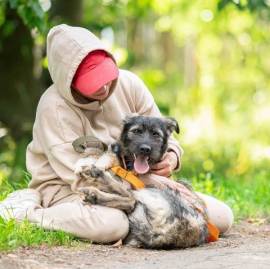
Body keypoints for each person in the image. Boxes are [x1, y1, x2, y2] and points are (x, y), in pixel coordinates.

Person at [0, 24, 233, 243]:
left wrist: (171, 157)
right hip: (72, 189)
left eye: (105, 76)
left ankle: (139, 220)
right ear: (67, 80)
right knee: (113, 225)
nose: (103, 87)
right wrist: (145, 180)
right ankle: (28, 212)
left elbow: (165, 134)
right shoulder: (54, 108)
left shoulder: (129, 83)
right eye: (92, 82)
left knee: (221, 217)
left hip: (141, 186)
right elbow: (82, 177)